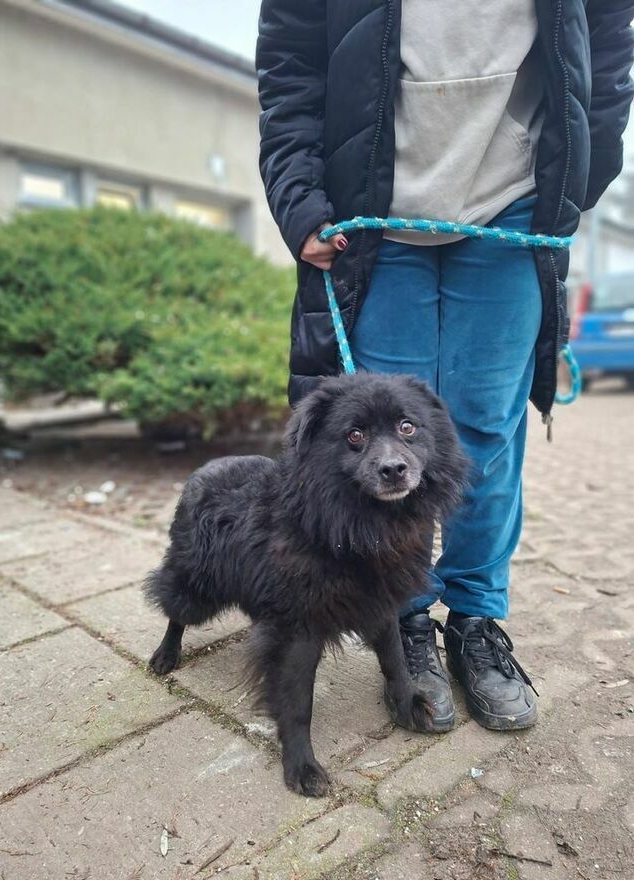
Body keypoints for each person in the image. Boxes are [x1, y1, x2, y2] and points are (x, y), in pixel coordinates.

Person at [256, 1, 634, 732]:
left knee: (485, 433)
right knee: (379, 446)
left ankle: (476, 622)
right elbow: (290, 63)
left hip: (514, 206)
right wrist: (297, 195)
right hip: (370, 209)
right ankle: (403, 622)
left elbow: (610, 42)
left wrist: (581, 168)